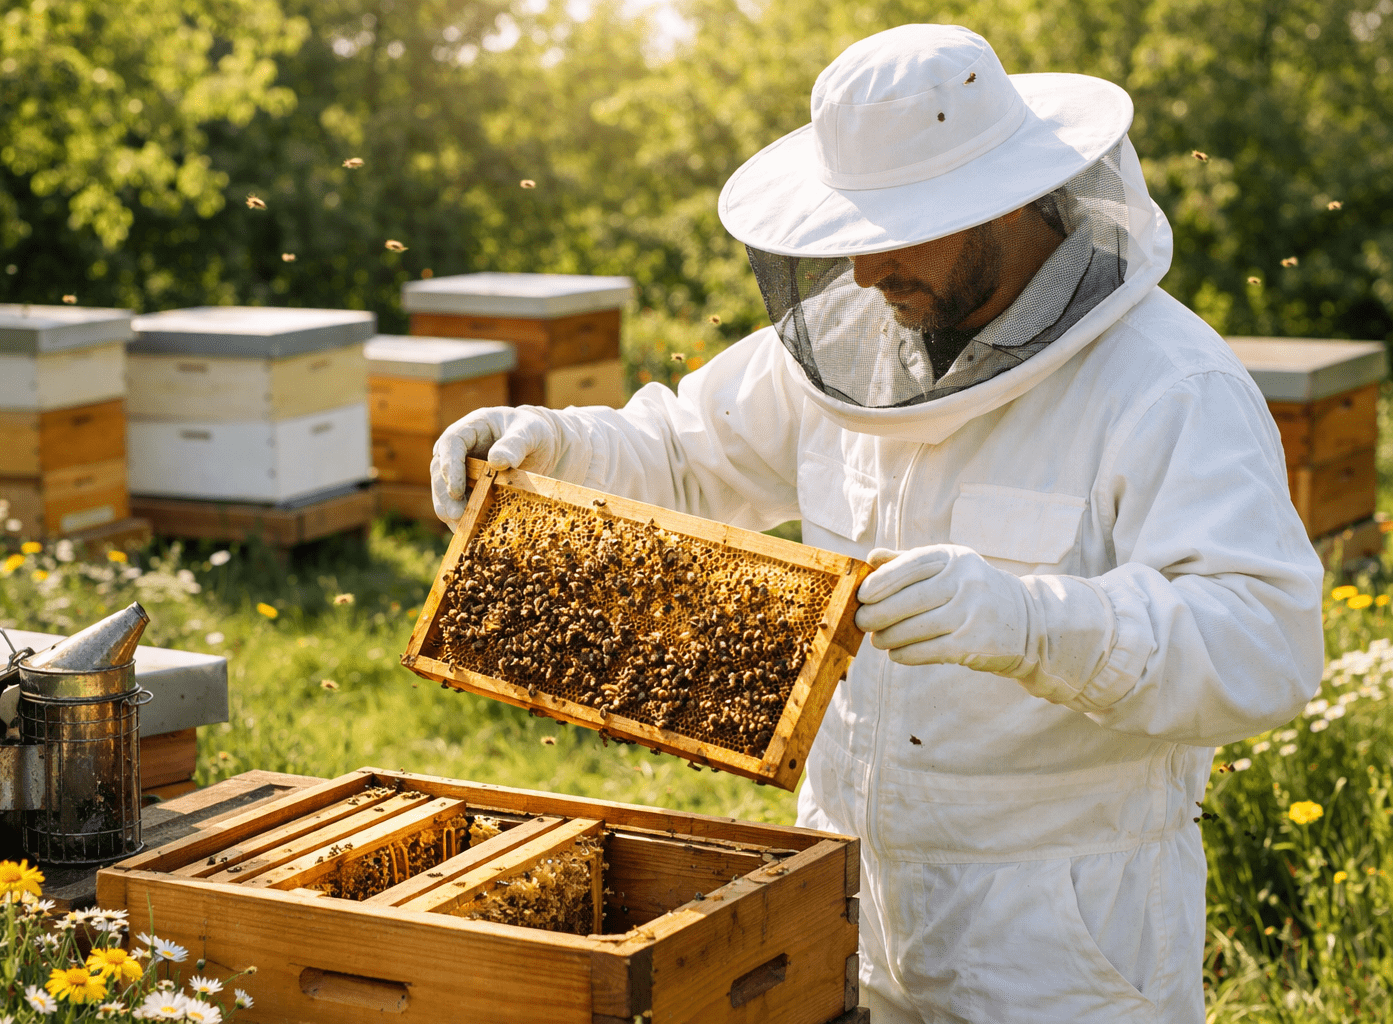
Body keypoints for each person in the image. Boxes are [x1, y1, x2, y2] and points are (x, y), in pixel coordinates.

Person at [430, 24, 1323, 1022]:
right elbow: (687, 452)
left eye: (901, 229)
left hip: (1062, 944)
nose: (864, 272)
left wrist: (1035, 625)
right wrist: (552, 446)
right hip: (852, 900)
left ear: (1009, 196)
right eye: (851, 231)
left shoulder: (1167, 383)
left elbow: (1264, 643)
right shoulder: (854, 342)